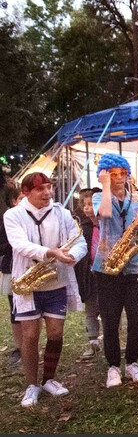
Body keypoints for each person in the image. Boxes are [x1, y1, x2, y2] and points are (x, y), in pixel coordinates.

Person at [5, 172, 87, 407]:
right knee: (30, 336)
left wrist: (74, 255)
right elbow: (19, 244)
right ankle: (32, 385)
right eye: (40, 189)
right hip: (29, 284)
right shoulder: (14, 215)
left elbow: (78, 241)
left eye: (49, 187)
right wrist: (50, 252)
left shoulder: (61, 213)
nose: (47, 193)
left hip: (56, 282)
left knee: (56, 334)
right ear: (27, 193)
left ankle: (49, 378)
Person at [92, 154, 138, 388]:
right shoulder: (99, 196)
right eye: (112, 174)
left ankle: (133, 363)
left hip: (134, 264)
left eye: (122, 173)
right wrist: (106, 185)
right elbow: (105, 214)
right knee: (110, 318)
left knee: (136, 316)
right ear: (104, 175)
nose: (118, 178)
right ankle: (113, 366)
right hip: (107, 266)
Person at [74, 187, 102, 360]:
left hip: (107, 273)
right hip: (88, 275)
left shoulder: (106, 224)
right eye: (85, 205)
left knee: (111, 309)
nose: (87, 208)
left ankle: (116, 340)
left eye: (91, 204)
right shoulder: (82, 228)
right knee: (90, 310)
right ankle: (92, 342)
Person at [1, 186, 22, 367]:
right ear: (14, 201)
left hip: (34, 268)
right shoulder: (7, 219)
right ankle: (19, 347)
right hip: (12, 267)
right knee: (15, 309)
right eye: (21, 198)